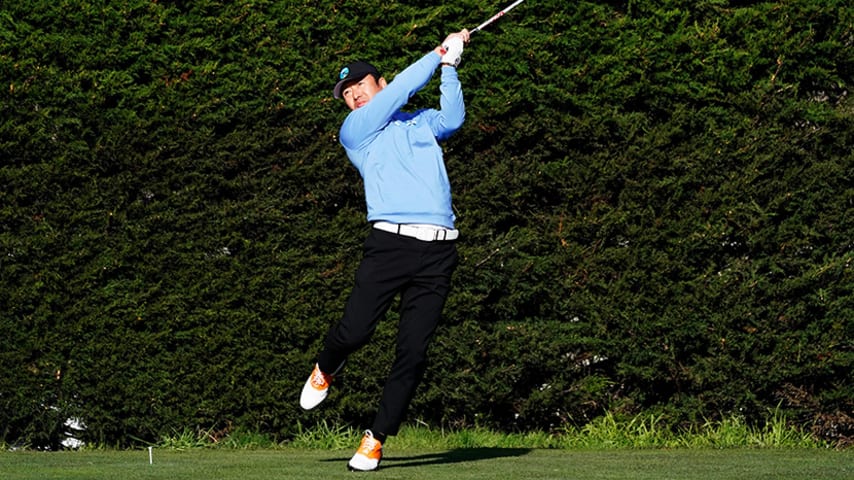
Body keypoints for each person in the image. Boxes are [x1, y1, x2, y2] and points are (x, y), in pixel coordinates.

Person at [299, 29, 471, 471]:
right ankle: (326, 365)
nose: (354, 96)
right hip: (390, 244)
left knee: (413, 353)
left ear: (378, 81)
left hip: (439, 252)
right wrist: (437, 53)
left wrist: (450, 68)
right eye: (346, 94)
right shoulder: (356, 133)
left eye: (360, 86)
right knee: (355, 331)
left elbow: (452, 119)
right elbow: (402, 89)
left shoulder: (418, 122)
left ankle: (375, 438)